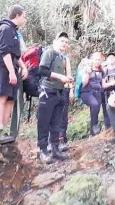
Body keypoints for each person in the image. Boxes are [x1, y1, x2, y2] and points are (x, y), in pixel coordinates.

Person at [0, 4, 28, 144]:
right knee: (1, 98)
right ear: (17, 15)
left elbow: (15, 55)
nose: (25, 19)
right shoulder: (5, 28)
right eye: (24, 16)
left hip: (11, 66)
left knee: (11, 100)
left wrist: (23, 67)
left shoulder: (13, 31)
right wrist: (12, 72)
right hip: (1, 67)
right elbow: (5, 52)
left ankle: (4, 133)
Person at [37, 32, 74, 164]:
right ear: (55, 42)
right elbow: (42, 70)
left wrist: (68, 80)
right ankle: (42, 150)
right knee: (44, 122)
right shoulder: (49, 53)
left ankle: (55, 149)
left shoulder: (63, 58)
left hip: (60, 92)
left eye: (66, 42)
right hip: (48, 91)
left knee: (56, 122)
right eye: (62, 41)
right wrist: (60, 77)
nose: (65, 44)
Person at [80, 52, 105, 137]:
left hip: (97, 92)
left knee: (95, 111)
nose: (97, 61)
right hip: (86, 92)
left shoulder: (101, 70)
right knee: (95, 104)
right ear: (92, 60)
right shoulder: (87, 69)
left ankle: (92, 133)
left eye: (99, 60)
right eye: (96, 59)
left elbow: (103, 84)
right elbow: (83, 82)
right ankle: (94, 125)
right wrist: (88, 72)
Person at [101, 53, 115, 132]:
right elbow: (102, 83)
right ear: (106, 60)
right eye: (109, 58)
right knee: (106, 109)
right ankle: (108, 127)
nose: (111, 59)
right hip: (106, 92)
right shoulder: (104, 70)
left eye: (112, 58)